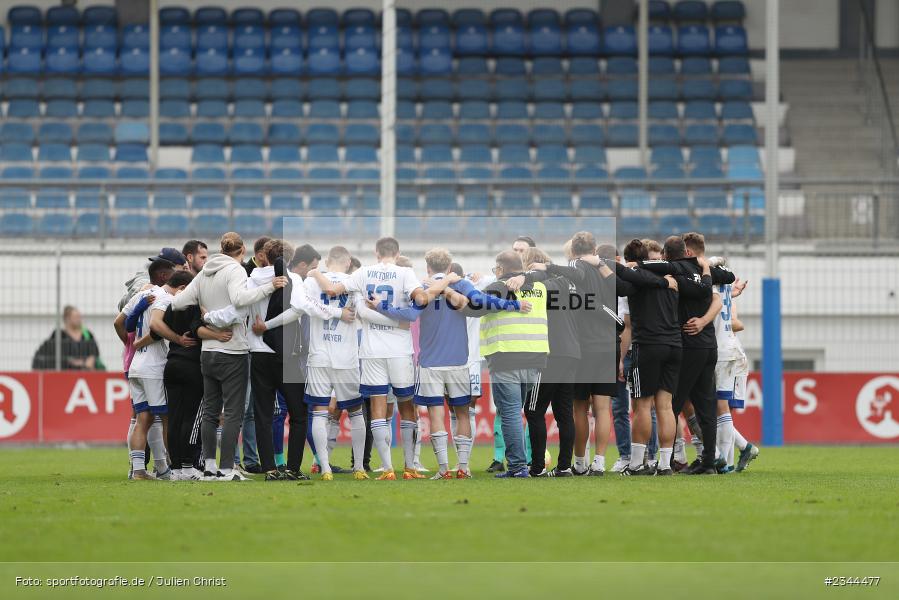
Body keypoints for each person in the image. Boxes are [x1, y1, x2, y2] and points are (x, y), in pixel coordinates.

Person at [309, 237, 458, 480]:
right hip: (400, 350)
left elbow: (334, 291)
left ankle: (388, 468)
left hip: (371, 351)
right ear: (397, 253)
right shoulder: (405, 273)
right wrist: (445, 282)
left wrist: (315, 273)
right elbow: (421, 300)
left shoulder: (363, 273)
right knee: (407, 407)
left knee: (378, 409)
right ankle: (409, 467)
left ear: (376, 252)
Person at [371, 249, 525, 479]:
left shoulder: (422, 288)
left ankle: (443, 469)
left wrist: (380, 307)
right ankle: (463, 467)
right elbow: (481, 301)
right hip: (459, 361)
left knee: (436, 414)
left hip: (430, 363)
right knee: (462, 413)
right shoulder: (461, 285)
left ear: (428, 267)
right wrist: (513, 305)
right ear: (450, 266)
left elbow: (409, 315)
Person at [171, 232, 286, 482]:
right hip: (232, 350)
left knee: (210, 412)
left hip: (207, 352)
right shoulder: (235, 270)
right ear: (242, 251)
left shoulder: (204, 272)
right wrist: (270, 286)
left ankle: (209, 467)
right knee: (233, 413)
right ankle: (226, 469)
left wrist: (206, 314)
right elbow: (240, 299)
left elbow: (178, 303)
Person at [465, 251, 548, 479]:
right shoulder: (539, 287)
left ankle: (517, 466)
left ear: (500, 269)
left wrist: (462, 286)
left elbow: (470, 307)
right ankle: (521, 464)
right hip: (535, 358)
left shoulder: (498, 287)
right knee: (516, 411)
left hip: (506, 356)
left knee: (510, 412)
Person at [614, 240, 681, 476]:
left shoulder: (635, 281)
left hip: (648, 346)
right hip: (674, 345)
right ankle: (665, 464)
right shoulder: (672, 277)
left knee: (642, 406)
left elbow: (619, 287)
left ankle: (635, 464)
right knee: (665, 406)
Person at [300, 246, 366, 480]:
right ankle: (359, 467)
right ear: (348, 263)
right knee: (356, 412)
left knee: (319, 412)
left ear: (327, 261)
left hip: (319, 355)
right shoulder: (354, 282)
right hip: (347, 357)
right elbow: (363, 313)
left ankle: (325, 468)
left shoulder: (312, 281)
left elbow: (305, 306)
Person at [518, 247, 580, 477]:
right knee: (564, 413)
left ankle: (537, 467)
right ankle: (564, 466)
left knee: (533, 410)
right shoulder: (567, 281)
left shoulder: (541, 285)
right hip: (572, 352)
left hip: (550, 354)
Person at [127, 268, 194, 480]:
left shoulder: (143, 294)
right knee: (168, 420)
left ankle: (138, 470)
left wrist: (135, 344)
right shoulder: (165, 298)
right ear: (182, 287)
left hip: (136, 365)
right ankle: (172, 468)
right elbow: (155, 325)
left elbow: (122, 321)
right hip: (154, 367)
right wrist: (178, 338)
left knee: (142, 419)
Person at [33, 306, 103, 371]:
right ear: (67, 319)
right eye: (76, 317)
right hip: (66, 372)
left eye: (79, 316)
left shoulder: (87, 334)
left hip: (86, 371)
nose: (79, 319)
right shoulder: (59, 335)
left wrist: (90, 360)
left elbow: (95, 352)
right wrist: (76, 362)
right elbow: (53, 356)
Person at [117, 247, 188, 312]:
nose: (159, 268)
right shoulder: (146, 280)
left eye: (165, 265)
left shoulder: (183, 284)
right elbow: (123, 305)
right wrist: (142, 291)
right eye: (157, 263)